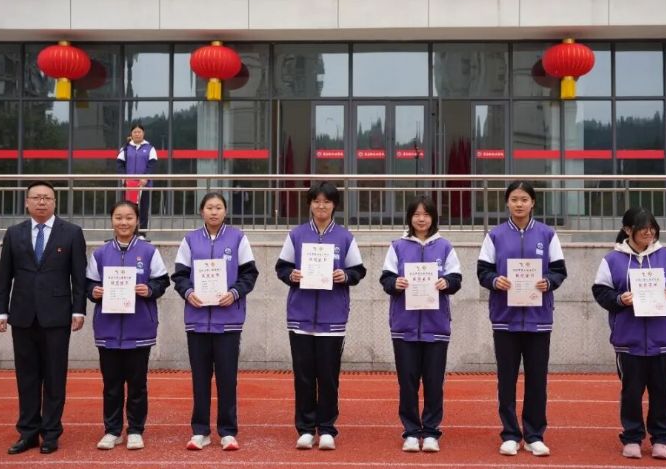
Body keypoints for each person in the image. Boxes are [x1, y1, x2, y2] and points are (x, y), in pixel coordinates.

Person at [0, 180, 87, 455]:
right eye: (36, 197)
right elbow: (4, 275)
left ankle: (51, 432)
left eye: (47, 197)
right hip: (22, 315)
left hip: (57, 316)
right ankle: (28, 432)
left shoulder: (72, 233)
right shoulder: (14, 233)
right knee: (27, 377)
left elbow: (78, 276)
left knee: (55, 377)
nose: (42, 202)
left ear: (55, 202)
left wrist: (78, 309)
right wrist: (0, 310)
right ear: (27, 202)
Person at [592, 207, 666, 461]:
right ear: (628, 230)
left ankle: (661, 440)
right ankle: (632, 438)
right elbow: (601, 292)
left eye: (652, 228)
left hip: (662, 340)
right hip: (628, 340)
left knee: (662, 392)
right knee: (631, 393)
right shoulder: (612, 260)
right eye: (643, 228)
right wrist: (619, 299)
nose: (649, 232)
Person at [477, 180, 567, 457]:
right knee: (506, 380)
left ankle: (534, 435)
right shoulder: (495, 236)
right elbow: (483, 271)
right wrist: (496, 281)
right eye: (514, 199)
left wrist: (548, 282)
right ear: (507, 202)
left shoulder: (547, 234)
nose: (519, 204)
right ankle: (510, 434)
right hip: (505, 319)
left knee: (537, 380)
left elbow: (559, 270)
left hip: (539, 319)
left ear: (533, 203)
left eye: (524, 199)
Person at [275, 181, 367, 451]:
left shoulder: (345, 237)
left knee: (328, 376)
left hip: (333, 318)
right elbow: (282, 268)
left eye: (327, 202)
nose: (321, 206)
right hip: (300, 317)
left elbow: (358, 271)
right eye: (316, 201)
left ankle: (326, 428)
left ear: (334, 205)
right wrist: (292, 275)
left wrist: (344, 276)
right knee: (303, 376)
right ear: (310, 204)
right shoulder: (296, 235)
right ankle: (305, 429)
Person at [171, 192, 259, 452]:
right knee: (200, 379)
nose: (214, 212)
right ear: (202, 211)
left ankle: (228, 432)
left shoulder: (238, 238)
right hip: (197, 321)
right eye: (209, 207)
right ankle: (200, 431)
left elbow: (249, 274)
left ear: (225, 211)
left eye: (218, 207)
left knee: (227, 379)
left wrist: (234, 293)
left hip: (228, 321)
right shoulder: (190, 240)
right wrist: (188, 293)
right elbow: (180, 275)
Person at [379, 195, 462, 453]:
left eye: (426, 214)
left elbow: (456, 279)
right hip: (404, 326)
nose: (421, 219)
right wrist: (396, 283)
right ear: (409, 218)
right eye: (416, 214)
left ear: (433, 217)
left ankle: (432, 432)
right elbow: (386, 279)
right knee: (408, 383)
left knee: (434, 383)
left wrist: (446, 282)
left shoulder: (445, 246)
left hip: (436, 326)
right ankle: (411, 432)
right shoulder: (397, 246)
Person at [86, 201, 170, 451]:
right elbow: (88, 284)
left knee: (137, 385)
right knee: (111, 385)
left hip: (139, 328)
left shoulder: (149, 251)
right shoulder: (100, 253)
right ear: (112, 220)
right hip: (108, 329)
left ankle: (135, 429)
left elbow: (162, 281)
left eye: (129, 217)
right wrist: (94, 291)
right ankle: (112, 430)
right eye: (119, 217)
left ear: (137, 221)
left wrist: (149, 289)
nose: (124, 222)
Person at [117, 123, 157, 231]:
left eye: (139, 132)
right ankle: (130, 231)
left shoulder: (150, 148)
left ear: (143, 133)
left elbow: (152, 165)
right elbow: (120, 165)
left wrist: (145, 178)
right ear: (131, 134)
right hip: (129, 185)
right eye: (135, 132)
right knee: (129, 209)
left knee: (143, 209)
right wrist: (124, 178)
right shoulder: (125, 148)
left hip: (144, 184)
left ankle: (142, 232)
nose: (137, 134)